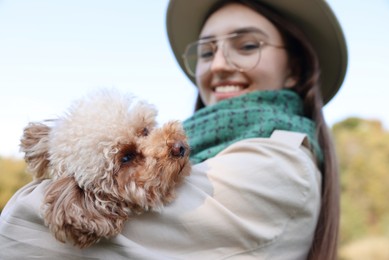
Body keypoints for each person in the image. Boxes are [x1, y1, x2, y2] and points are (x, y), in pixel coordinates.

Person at [0, 0, 347, 259]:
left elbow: (25, 229)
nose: (220, 64)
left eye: (248, 46)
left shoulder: (278, 164)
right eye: (207, 51)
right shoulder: (224, 152)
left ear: (295, 70)